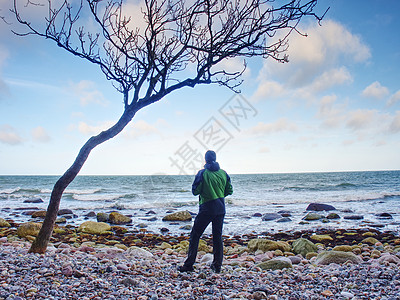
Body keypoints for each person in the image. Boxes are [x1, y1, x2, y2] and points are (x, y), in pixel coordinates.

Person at [178, 150, 233, 273]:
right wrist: (219, 194)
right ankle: (217, 265)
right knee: (217, 237)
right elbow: (229, 190)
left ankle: (189, 265)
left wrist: (207, 192)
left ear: (205, 159)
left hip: (207, 208)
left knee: (195, 235)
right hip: (220, 208)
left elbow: (195, 191)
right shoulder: (224, 173)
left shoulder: (202, 173)